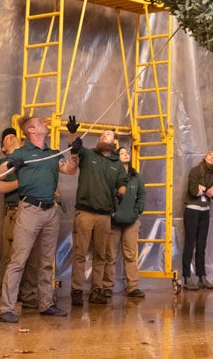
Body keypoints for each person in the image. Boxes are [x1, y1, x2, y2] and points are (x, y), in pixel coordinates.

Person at [0, 115, 78, 323]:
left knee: (46, 262)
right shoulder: (21, 153)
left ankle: (46, 304)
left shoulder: (52, 154)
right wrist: (9, 164)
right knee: (18, 260)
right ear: (32, 130)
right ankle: (6, 308)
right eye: (41, 122)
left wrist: (74, 145)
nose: (46, 123)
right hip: (29, 210)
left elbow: (70, 169)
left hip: (51, 211)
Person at [69, 127, 128, 306]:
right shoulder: (88, 155)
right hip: (85, 212)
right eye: (102, 134)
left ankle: (96, 289)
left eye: (108, 134)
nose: (104, 135)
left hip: (104, 215)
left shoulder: (117, 164)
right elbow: (75, 148)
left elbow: (122, 183)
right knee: (80, 254)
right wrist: (73, 135)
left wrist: (121, 193)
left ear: (115, 141)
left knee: (100, 255)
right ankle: (77, 290)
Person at [0, 127, 41, 309]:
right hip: (14, 211)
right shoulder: (3, 163)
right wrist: (21, 182)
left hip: (35, 211)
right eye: (6, 137)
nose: (10, 136)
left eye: (13, 134)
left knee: (33, 256)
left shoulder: (33, 158)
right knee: (12, 256)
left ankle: (29, 297)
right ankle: (8, 299)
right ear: (3, 148)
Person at [106, 144, 146, 298]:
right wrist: (111, 212)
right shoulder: (111, 175)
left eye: (127, 152)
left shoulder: (136, 177)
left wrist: (136, 211)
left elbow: (142, 195)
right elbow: (106, 193)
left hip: (131, 221)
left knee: (130, 255)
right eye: (122, 153)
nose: (126, 154)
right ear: (116, 157)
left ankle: (132, 287)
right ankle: (107, 286)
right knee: (110, 255)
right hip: (113, 221)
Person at [182, 149, 213, 290]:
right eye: (210, 155)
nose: (212, 158)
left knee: (202, 245)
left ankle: (201, 277)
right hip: (192, 210)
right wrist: (205, 191)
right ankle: (186, 277)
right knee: (190, 244)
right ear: (205, 157)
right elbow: (192, 190)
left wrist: (206, 190)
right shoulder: (195, 171)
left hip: (205, 211)